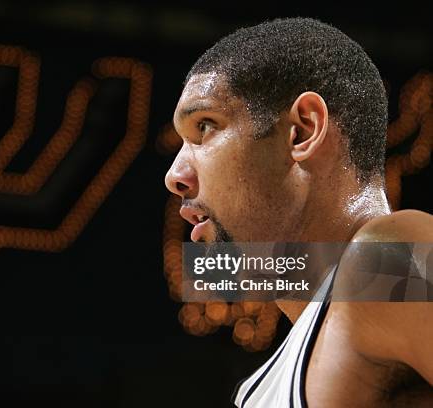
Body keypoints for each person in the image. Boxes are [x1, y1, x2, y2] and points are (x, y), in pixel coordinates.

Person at [164, 17, 433, 407]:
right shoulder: (254, 392)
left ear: (302, 131)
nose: (175, 175)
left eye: (204, 126)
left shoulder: (386, 262)